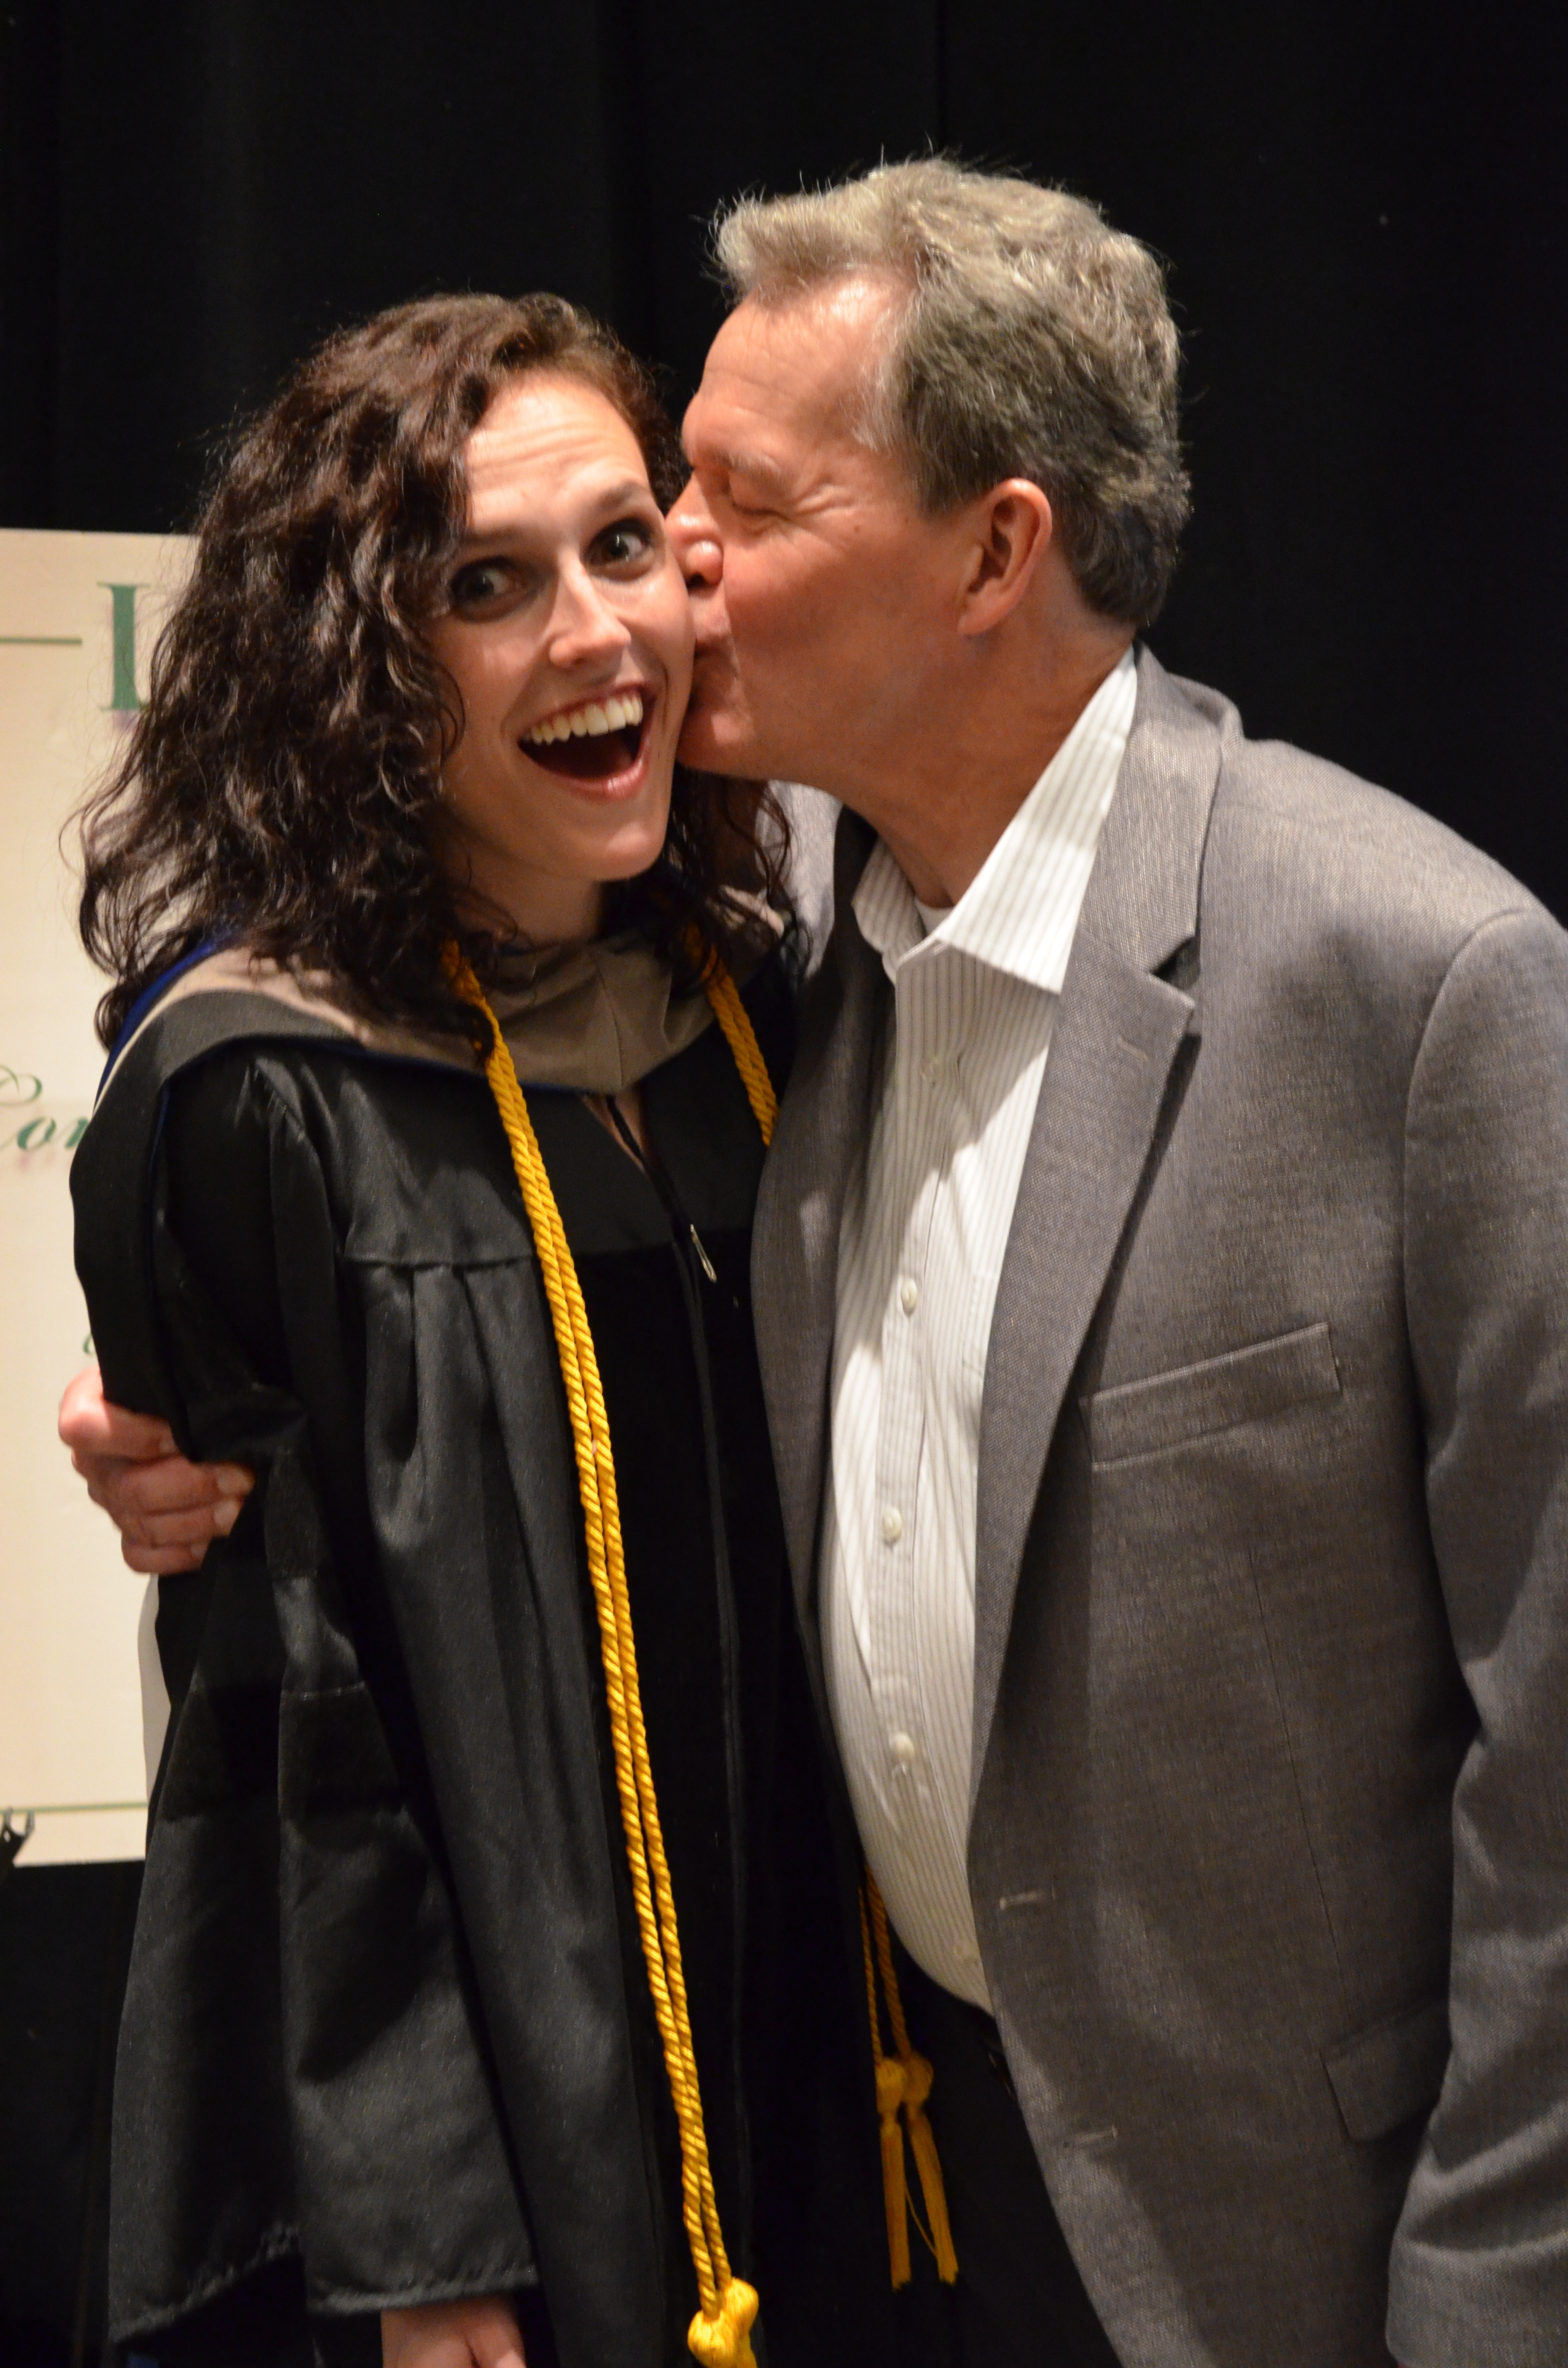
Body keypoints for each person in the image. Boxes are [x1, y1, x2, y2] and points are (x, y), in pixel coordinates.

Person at [69, 155, 1568, 2366]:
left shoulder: (1369, 982)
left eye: (718, 513)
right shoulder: (648, 1008)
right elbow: (316, 1703)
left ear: (996, 551)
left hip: (1193, 2218)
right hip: (727, 2184)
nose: (664, 580)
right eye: (536, 559)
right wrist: (206, 1432)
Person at [66, 291, 911, 2368]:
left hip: (845, 2055)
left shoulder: (770, 1008)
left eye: (624, 546)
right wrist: (418, 2221)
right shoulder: (261, 1098)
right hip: (516, 2131)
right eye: (484, 585)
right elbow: (288, 1714)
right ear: (358, 665)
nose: (594, 633)